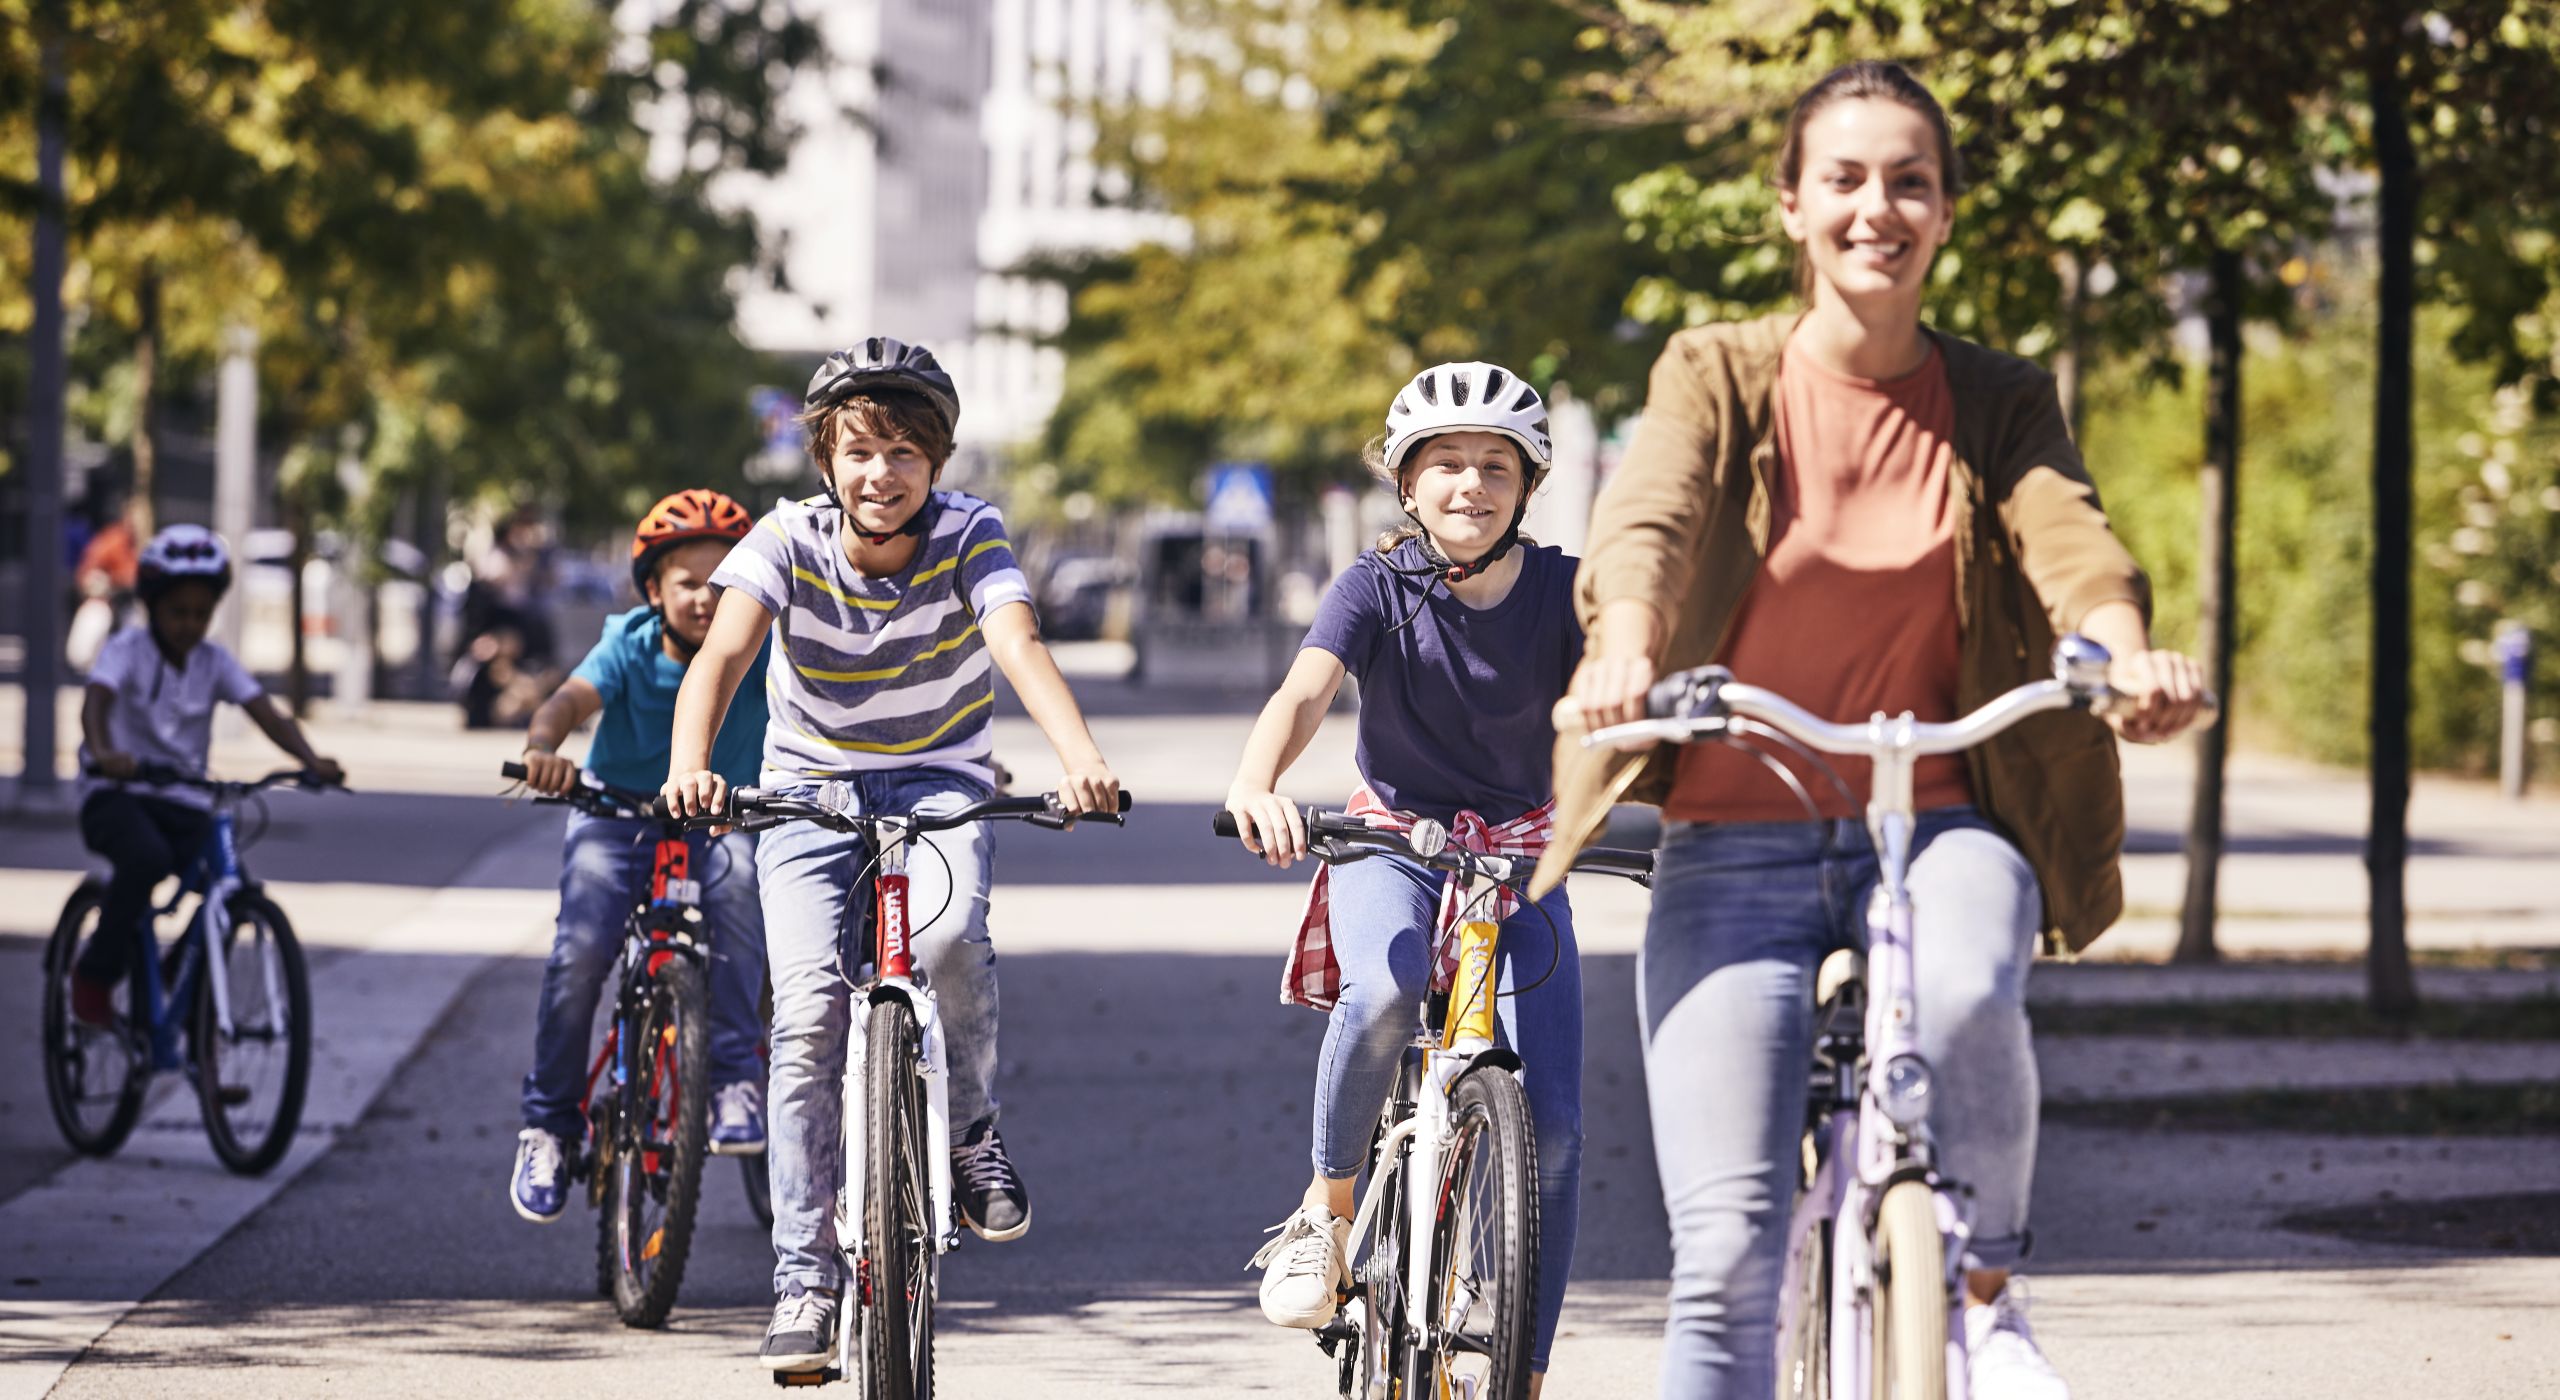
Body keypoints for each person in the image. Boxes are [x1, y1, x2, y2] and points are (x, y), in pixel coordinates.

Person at [1539, 61, 2207, 1400]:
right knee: (1724, 1259)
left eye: (1910, 181)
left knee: (1967, 996)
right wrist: (1623, 644)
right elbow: (1652, 520)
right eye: (1844, 179)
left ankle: (1991, 1291)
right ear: (1792, 205)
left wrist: (2127, 659)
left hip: (1941, 819)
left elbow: (2071, 539)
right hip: (1734, 840)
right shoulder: (1717, 372)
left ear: (1946, 212)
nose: (1876, 208)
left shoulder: (1999, 395)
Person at [658, 337, 1123, 1373]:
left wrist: (1082, 758)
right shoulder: (783, 538)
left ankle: (971, 1133)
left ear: (939, 464)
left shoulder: (969, 534)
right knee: (811, 1009)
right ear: (825, 457)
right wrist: (692, 762)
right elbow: (724, 655)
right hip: (806, 788)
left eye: (907, 451)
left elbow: (1016, 643)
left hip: (942, 780)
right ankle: (803, 1276)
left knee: (954, 937)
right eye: (862, 449)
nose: (883, 472)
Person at [1224, 362, 1587, 1395]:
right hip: (1394, 840)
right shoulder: (1374, 584)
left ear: (1527, 483)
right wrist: (1259, 779)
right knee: (1382, 993)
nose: (1469, 485)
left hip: (1522, 853)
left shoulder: (1566, 590)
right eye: (1445, 465)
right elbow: (1307, 687)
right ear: (1404, 481)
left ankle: (1521, 1363)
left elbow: (1616, 696)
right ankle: (1328, 1211)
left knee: (1553, 1129)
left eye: (1493, 466)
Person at [506, 489, 775, 1225]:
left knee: (741, 895)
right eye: (688, 582)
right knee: (582, 948)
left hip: (720, 822)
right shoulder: (627, 641)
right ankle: (550, 1126)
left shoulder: (764, 648)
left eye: (724, 582)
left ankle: (731, 1081)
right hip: (617, 815)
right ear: (654, 590)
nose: (707, 598)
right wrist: (542, 752)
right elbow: (564, 704)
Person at [72, 524, 345, 1026]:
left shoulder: (214, 659)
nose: (190, 624)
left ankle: (186, 988)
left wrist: (310, 758)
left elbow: (266, 712)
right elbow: (97, 701)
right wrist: (105, 750)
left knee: (228, 884)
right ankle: (94, 974)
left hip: (183, 799)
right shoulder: (126, 651)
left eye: (201, 613)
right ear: (153, 606)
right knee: (145, 858)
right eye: (178, 612)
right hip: (117, 794)